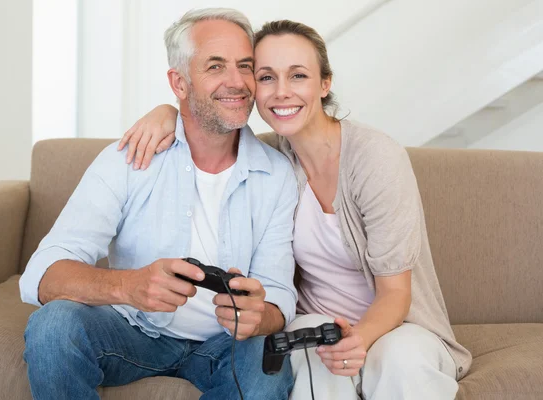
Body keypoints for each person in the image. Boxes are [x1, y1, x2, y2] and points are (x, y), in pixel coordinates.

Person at [119, 19, 473, 400]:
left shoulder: (375, 158)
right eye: (267, 77)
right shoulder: (269, 158)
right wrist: (167, 112)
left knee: (400, 360)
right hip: (315, 322)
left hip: (396, 325)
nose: (282, 93)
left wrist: (358, 341)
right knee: (307, 361)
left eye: (298, 75)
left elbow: (395, 293)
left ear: (324, 83)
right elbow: (206, 124)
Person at [19, 9, 300, 400]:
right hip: (134, 332)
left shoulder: (277, 174)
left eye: (246, 66)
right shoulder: (130, 157)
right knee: (53, 326)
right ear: (179, 83)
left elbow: (278, 294)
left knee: (267, 365)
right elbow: (41, 274)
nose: (237, 82)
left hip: (227, 345)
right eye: (215, 66)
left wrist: (259, 314)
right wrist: (128, 286)